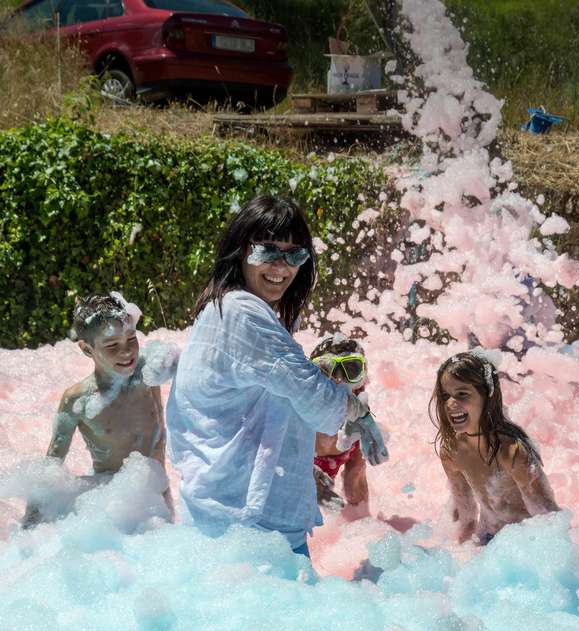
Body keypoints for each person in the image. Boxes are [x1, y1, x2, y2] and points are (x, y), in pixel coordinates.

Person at [166, 195, 388, 558]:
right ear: (240, 250)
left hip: (230, 519)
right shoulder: (242, 312)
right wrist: (358, 412)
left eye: (294, 255)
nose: (281, 267)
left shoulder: (224, 307)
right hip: (249, 526)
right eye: (267, 251)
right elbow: (312, 394)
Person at [22, 292, 176, 527]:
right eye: (112, 345)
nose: (127, 351)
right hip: (113, 506)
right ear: (87, 349)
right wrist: (28, 528)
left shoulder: (149, 373)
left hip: (155, 501)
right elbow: (51, 467)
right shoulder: (78, 400)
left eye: (131, 338)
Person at [430, 350, 559, 545]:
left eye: (462, 394)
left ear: (487, 395)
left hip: (527, 542)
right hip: (489, 540)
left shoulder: (511, 452)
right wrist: (459, 552)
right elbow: (466, 517)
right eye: (445, 395)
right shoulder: (452, 453)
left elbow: (549, 519)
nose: (450, 403)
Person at [310, 334, 371, 517]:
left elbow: (358, 505)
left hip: (348, 453)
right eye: (325, 370)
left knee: (355, 492)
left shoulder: (358, 426)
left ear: (362, 381)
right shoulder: (296, 416)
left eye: (351, 369)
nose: (338, 380)